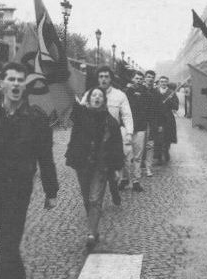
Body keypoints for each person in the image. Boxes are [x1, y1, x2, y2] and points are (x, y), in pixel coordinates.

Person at [0, 62, 58, 279]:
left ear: (25, 87)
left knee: (10, 236)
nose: (15, 84)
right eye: (11, 79)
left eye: (20, 80)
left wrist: (51, 191)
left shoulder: (37, 119)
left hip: (19, 188)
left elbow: (46, 157)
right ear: (1, 83)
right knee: (3, 236)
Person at [66, 87, 124, 251]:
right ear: (89, 99)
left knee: (95, 199)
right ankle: (94, 229)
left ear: (104, 101)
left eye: (100, 95)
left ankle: (91, 233)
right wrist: (81, 103)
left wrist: (118, 168)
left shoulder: (111, 121)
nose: (97, 97)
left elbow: (116, 145)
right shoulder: (81, 115)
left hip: (101, 165)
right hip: (83, 164)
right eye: (94, 95)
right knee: (86, 198)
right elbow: (71, 102)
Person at [81, 66, 133, 202]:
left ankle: (114, 190)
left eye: (106, 76)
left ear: (111, 79)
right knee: (96, 167)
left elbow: (127, 115)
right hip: (94, 137)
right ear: (97, 78)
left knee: (111, 167)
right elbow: (80, 114)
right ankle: (96, 200)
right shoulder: (90, 94)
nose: (103, 79)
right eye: (101, 76)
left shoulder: (120, 95)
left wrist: (129, 132)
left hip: (112, 137)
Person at [125, 71, 159, 191]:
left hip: (141, 127)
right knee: (127, 154)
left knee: (138, 155)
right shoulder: (127, 91)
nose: (138, 80)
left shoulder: (146, 92)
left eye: (140, 79)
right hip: (128, 127)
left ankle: (136, 180)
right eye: (136, 78)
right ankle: (125, 178)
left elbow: (152, 106)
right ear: (132, 79)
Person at [143, 70, 164, 175]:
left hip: (152, 121)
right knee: (139, 144)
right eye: (148, 77)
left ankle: (148, 167)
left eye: (152, 77)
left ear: (154, 79)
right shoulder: (140, 90)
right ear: (145, 78)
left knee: (150, 145)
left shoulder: (157, 93)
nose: (150, 79)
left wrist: (160, 124)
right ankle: (139, 166)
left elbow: (160, 109)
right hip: (140, 121)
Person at [155, 76, 179, 163]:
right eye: (161, 81)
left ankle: (166, 151)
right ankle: (159, 156)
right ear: (159, 83)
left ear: (167, 83)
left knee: (167, 137)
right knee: (158, 137)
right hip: (157, 118)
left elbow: (176, 107)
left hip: (168, 118)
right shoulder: (155, 92)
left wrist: (170, 101)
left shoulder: (171, 93)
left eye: (165, 81)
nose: (163, 83)